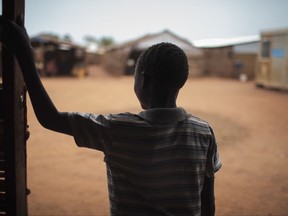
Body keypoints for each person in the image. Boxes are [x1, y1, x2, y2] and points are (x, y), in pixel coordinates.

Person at [0, 16, 221, 216]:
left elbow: (50, 118)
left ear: (143, 80)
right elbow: (208, 204)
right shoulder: (204, 132)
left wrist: (25, 55)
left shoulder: (118, 129)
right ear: (181, 82)